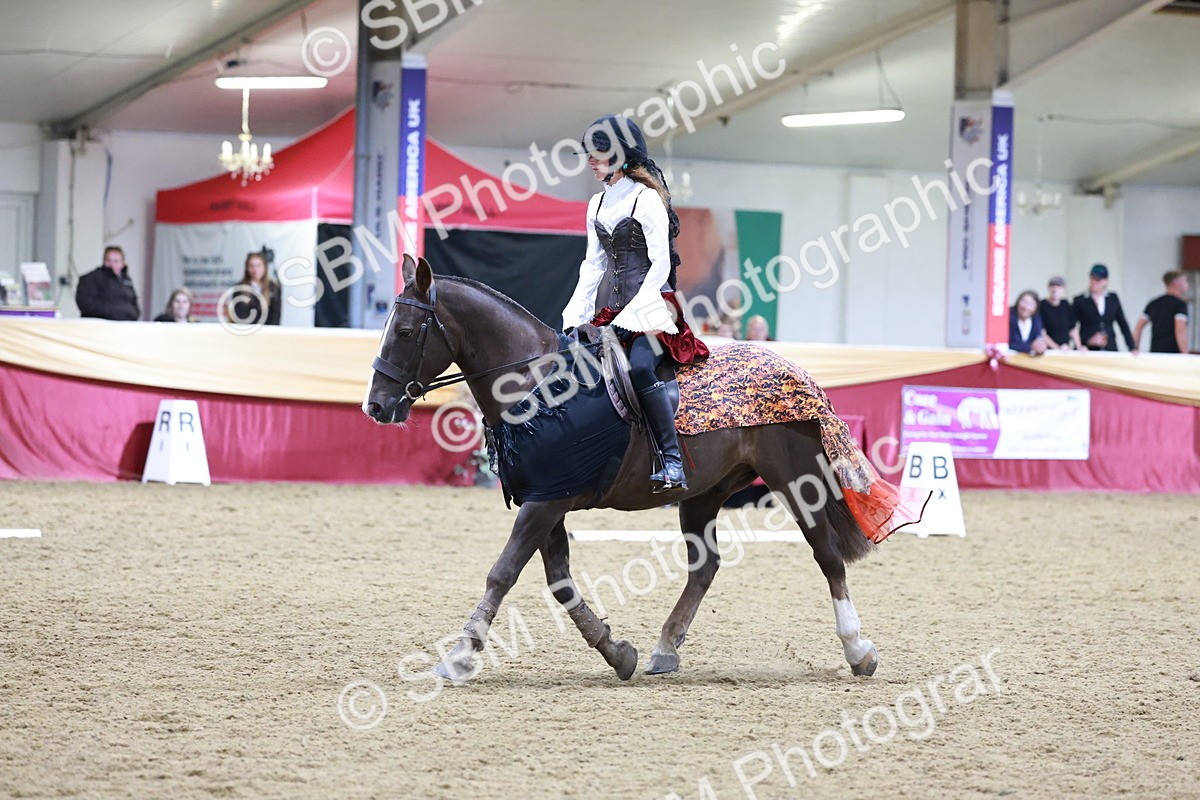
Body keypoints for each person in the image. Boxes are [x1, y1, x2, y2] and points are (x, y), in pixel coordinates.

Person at [561, 114, 709, 492]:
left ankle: (672, 461)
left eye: (597, 154)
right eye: (589, 154)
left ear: (620, 155)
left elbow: (659, 265)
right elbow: (592, 265)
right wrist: (573, 315)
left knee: (641, 368)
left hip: (651, 308)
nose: (590, 161)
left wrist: (630, 319)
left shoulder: (646, 199)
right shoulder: (596, 204)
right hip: (609, 311)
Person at [1072, 264, 1135, 352]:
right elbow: (1071, 326)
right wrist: (1087, 340)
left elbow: (1123, 324)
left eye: (1098, 279)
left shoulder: (1112, 298)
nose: (1094, 282)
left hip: (1109, 348)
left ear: (1105, 281)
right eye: (1092, 278)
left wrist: (1132, 347)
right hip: (1087, 349)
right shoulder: (1080, 300)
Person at [75, 245, 140, 320]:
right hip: (100, 325)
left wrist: (133, 313)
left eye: (116, 261)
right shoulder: (91, 278)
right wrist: (112, 312)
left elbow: (133, 301)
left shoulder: (126, 280)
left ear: (123, 263)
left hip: (125, 324)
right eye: (108, 261)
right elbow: (85, 304)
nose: (112, 265)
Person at [1133, 270, 1190, 354]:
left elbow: (1138, 328)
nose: (1186, 284)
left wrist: (1135, 348)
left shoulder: (1153, 303)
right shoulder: (1180, 305)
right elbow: (1180, 330)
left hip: (1155, 353)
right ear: (1177, 282)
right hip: (1173, 354)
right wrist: (1185, 353)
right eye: (1185, 280)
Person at [224, 251, 280, 326]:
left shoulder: (274, 288)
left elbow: (275, 316)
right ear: (247, 268)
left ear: (264, 267)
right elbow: (240, 315)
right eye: (251, 266)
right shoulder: (239, 288)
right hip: (246, 332)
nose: (255, 269)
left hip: (267, 333)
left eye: (258, 266)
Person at [1038, 276, 1080, 350]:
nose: (1055, 289)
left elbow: (1073, 329)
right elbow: (1042, 332)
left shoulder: (1066, 305)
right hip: (1047, 350)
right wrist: (1057, 348)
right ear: (1048, 288)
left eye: (1058, 286)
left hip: (1065, 349)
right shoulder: (1041, 305)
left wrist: (1079, 347)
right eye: (1052, 286)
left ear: (1063, 289)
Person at [1008, 290, 1047, 355]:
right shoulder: (1009, 316)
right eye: (1024, 302)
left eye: (1030, 304)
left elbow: (1038, 337)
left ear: (1035, 308)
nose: (1026, 307)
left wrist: (1040, 345)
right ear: (1018, 302)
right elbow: (1010, 343)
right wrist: (1031, 347)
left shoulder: (1036, 319)